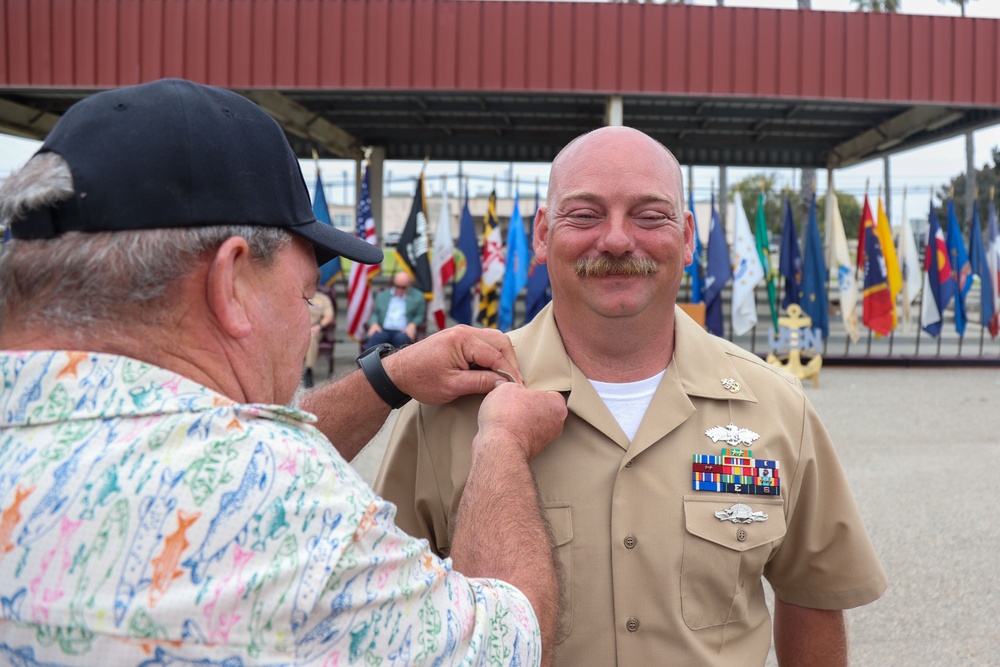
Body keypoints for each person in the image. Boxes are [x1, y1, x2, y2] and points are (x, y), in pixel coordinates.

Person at [0, 78, 567, 666]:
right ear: (232, 282)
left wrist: (385, 379)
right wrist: (502, 440)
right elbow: (511, 643)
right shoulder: (285, 502)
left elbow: (196, 450)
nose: (307, 325)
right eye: (305, 296)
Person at [376, 126, 888, 666]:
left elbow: (811, 598)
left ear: (688, 237)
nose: (618, 240)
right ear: (543, 233)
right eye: (585, 214)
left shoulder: (775, 408)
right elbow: (386, 611)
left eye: (649, 215)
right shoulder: (455, 408)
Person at [365, 271, 425, 349]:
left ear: (409, 286)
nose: (399, 289)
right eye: (397, 286)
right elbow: (375, 313)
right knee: (375, 338)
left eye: (403, 287)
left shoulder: (418, 296)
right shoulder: (382, 295)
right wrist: (374, 323)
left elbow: (419, 314)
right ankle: (368, 361)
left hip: (403, 331)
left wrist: (413, 324)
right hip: (383, 329)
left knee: (402, 341)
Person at [302, 287, 334, 387]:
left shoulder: (323, 299)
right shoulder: (297, 296)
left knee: (310, 336)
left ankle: (308, 370)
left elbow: (329, 316)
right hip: (296, 330)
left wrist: (319, 326)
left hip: (314, 329)